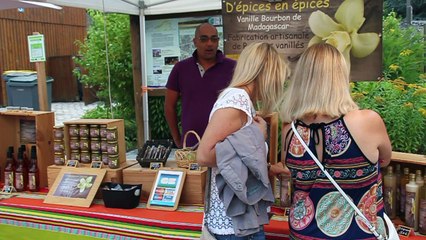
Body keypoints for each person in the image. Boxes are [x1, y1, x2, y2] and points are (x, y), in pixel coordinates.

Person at [270, 43, 392, 239]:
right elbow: (385, 160)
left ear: (302, 79)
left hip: (304, 233)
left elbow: (292, 172)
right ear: (340, 77)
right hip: (359, 234)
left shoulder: (290, 130)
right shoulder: (367, 121)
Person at [197, 42, 289, 239]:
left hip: (237, 217)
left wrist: (269, 168)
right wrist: (257, 136)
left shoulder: (242, 99)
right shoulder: (237, 100)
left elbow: (233, 156)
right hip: (233, 221)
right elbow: (205, 155)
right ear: (266, 73)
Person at [164, 23, 236, 148]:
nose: (209, 43)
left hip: (224, 145)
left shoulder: (233, 67)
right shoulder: (181, 69)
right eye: (204, 39)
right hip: (190, 144)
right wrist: (177, 138)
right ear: (195, 42)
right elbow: (169, 106)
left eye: (214, 39)